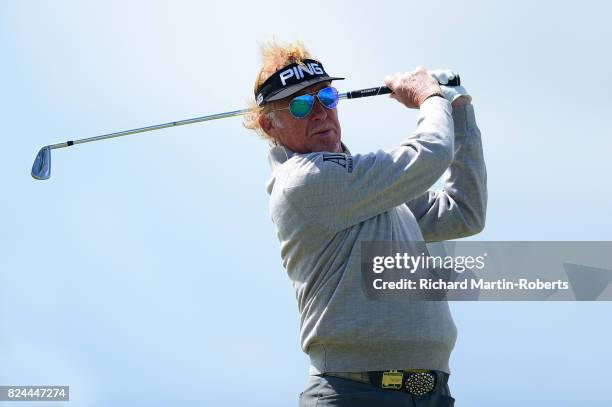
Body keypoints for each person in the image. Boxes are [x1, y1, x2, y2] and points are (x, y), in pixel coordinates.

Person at [244, 40, 487, 407]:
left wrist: (459, 111)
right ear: (269, 124)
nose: (320, 113)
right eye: (300, 105)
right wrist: (430, 99)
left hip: (431, 394)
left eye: (326, 97)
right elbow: (430, 155)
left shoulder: (366, 188)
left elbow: (463, 212)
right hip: (353, 394)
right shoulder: (304, 181)